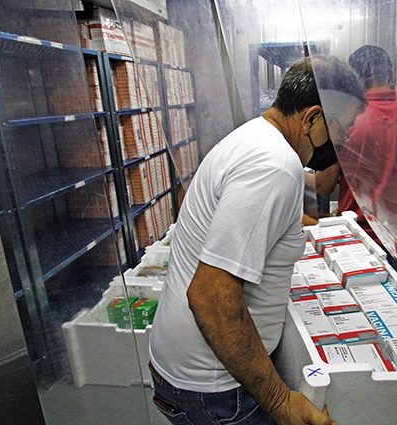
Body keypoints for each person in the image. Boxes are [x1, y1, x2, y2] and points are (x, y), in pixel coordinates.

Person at [148, 55, 365, 425]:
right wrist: (281, 402)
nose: (343, 142)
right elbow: (210, 296)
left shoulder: (256, 138)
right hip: (215, 388)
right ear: (312, 119)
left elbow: (256, 220)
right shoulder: (274, 165)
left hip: (191, 368)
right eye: (342, 129)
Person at [316, 45, 397, 261]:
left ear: (353, 79)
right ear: (391, 73)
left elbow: (324, 185)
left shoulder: (346, 119)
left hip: (358, 239)